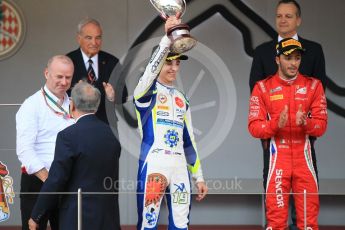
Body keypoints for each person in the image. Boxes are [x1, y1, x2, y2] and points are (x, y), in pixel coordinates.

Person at [249, 1, 326, 228]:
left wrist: (309, 126)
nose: (283, 20)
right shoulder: (263, 51)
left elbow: (320, 96)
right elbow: (255, 94)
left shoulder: (314, 50)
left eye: (289, 16)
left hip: (304, 143)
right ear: (277, 59)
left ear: (298, 20)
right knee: (275, 206)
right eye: (279, 15)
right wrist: (268, 132)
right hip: (274, 144)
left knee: (306, 211)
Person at [133, 16, 208, 230]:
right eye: (169, 62)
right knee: (148, 224)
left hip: (179, 167)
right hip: (153, 163)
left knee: (181, 224)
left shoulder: (182, 99)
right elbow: (149, 72)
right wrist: (166, 41)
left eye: (177, 63)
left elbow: (188, 140)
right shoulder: (145, 92)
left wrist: (199, 176)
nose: (174, 67)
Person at [28, 82, 121, 230]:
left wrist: (36, 215)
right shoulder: (112, 134)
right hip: (108, 217)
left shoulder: (67, 136)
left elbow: (56, 180)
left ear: (71, 105)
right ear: (96, 106)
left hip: (78, 217)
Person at [16, 55, 75, 230]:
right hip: (38, 180)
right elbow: (24, 150)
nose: (64, 82)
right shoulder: (31, 105)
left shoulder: (74, 104)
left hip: (66, 181)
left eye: (68, 77)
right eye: (59, 76)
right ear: (46, 73)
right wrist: (49, 180)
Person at [67, 18, 128, 125]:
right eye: (89, 38)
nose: (94, 42)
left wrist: (113, 96)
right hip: (76, 124)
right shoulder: (68, 62)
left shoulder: (112, 62)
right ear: (79, 38)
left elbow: (124, 95)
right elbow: (60, 93)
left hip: (106, 125)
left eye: (98, 38)